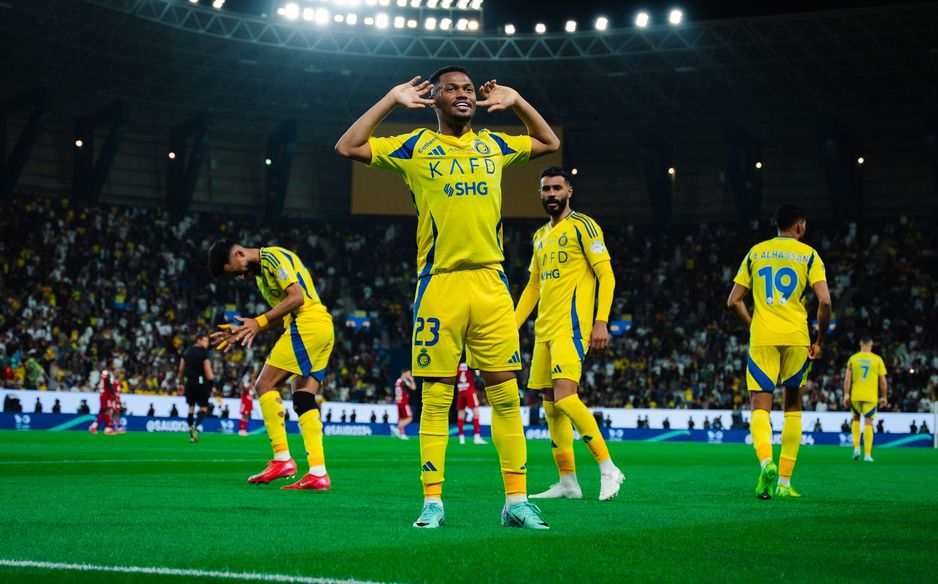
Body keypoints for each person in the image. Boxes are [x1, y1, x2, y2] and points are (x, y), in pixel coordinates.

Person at [336, 65, 559, 529]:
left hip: (492, 284)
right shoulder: (416, 147)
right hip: (438, 284)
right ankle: (432, 502)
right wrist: (390, 98)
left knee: (505, 398)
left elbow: (548, 143)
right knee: (435, 399)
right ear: (433, 100)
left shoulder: (495, 145)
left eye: (467, 89)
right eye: (451, 89)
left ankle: (515, 502)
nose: (462, 94)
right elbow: (349, 146)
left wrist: (517, 102)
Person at [514, 166, 623, 502]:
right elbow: (533, 286)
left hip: (571, 326)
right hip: (544, 329)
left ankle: (608, 467)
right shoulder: (540, 236)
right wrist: (511, 326)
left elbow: (607, 275)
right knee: (551, 407)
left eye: (556, 188)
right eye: (545, 189)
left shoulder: (584, 226)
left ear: (569, 191)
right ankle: (568, 482)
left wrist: (601, 321)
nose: (551, 194)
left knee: (565, 397)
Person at [209, 241, 335, 490]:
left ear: (239, 253)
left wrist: (258, 321)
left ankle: (282, 458)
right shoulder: (261, 277)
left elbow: (297, 297)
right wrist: (250, 327)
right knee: (303, 399)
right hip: (320, 327)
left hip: (308, 324)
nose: (240, 277)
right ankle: (318, 473)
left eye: (236, 271)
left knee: (265, 384)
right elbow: (284, 312)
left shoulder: (273, 257)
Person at [727, 203, 832, 499]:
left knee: (759, 407)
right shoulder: (809, 255)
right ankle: (785, 482)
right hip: (797, 338)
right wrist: (820, 340)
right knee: (793, 409)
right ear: (799, 225)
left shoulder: (756, 252)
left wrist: (752, 326)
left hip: (763, 338)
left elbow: (733, 300)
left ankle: (766, 462)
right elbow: (824, 301)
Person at [843, 336, 888, 462]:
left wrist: (846, 395)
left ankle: (856, 448)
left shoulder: (853, 359)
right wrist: (884, 397)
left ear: (860, 344)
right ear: (871, 344)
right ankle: (867, 454)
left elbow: (847, 380)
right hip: (870, 396)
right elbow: (883, 382)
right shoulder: (877, 359)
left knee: (855, 420)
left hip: (856, 395)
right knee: (868, 423)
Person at [176, 334, 216, 443]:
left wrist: (180, 383)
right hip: (201, 383)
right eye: (205, 341)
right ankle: (196, 427)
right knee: (203, 408)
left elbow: (181, 370)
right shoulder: (204, 353)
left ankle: (190, 432)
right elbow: (208, 370)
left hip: (189, 383)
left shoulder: (187, 352)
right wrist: (212, 385)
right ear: (198, 340)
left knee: (191, 408)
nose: (207, 344)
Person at [456, 363, 486, 445]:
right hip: (469, 391)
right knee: (476, 414)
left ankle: (461, 438)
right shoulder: (471, 363)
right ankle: (477, 437)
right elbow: (478, 374)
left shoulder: (459, 366)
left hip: (461, 391)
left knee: (461, 415)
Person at [89, 370, 118, 434]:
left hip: (103, 395)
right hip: (106, 396)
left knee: (105, 412)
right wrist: (114, 394)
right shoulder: (107, 376)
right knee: (107, 411)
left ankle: (103, 427)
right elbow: (109, 384)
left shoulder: (102, 377)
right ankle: (103, 428)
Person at [391, 369, 415, 440]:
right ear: (404, 373)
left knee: (402, 419)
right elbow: (413, 388)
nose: (409, 375)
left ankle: (402, 434)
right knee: (409, 418)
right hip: (404, 402)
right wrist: (412, 380)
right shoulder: (404, 381)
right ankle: (397, 429)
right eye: (408, 374)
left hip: (398, 402)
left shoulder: (398, 381)